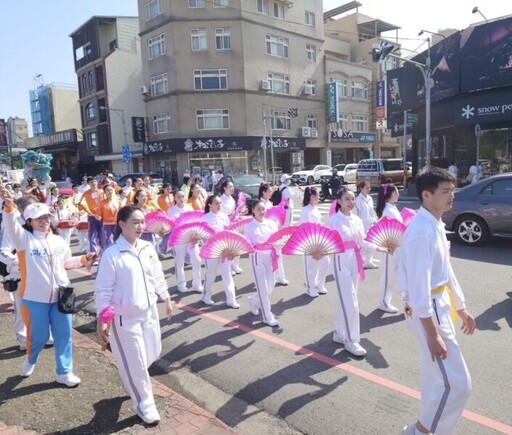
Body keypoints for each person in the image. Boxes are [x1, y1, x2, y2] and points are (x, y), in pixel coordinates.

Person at [399, 167, 474, 435]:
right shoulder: (422, 232)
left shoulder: (434, 223)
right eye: (445, 192)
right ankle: (422, 431)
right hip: (428, 310)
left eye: (452, 190)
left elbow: (446, 271)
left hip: (438, 305)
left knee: (436, 378)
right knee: (458, 384)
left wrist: (461, 306)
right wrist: (432, 334)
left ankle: (420, 431)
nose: (451, 196)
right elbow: (419, 291)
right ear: (426, 195)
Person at [0, 192, 93, 387]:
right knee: (39, 337)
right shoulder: (23, 239)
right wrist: (9, 208)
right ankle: (30, 359)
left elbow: (67, 262)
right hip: (34, 298)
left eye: (47, 217)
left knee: (63, 334)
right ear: (29, 221)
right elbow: (11, 226)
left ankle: (64, 372)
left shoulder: (58, 240)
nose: (44, 220)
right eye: (39, 218)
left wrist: (85, 259)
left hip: (61, 296)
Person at [95, 205, 173, 425]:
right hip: (124, 319)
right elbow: (103, 291)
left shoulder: (148, 247)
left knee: (151, 352)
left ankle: (131, 375)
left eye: (142, 221)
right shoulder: (112, 254)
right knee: (137, 364)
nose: (141, 226)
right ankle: (144, 404)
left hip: (149, 313)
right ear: (121, 224)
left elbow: (157, 275)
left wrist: (165, 297)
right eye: (135, 222)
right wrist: (104, 319)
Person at [327, 186, 388, 357]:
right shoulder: (333, 221)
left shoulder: (357, 220)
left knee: (345, 299)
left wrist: (380, 248)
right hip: (340, 260)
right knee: (351, 301)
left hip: (355, 259)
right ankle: (352, 340)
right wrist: (319, 253)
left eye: (353, 199)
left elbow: (362, 241)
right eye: (347, 199)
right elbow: (326, 243)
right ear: (339, 201)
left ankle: (339, 333)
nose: (351, 202)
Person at [0, 195, 38, 351]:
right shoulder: (12, 225)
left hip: (38, 274)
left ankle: (43, 334)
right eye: (31, 208)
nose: (36, 211)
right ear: (21, 209)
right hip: (18, 274)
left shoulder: (40, 224)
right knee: (21, 307)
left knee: (42, 306)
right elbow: (3, 252)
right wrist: (19, 263)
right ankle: (23, 338)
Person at [244, 200, 280, 327]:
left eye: (263, 209)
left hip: (270, 257)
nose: (261, 212)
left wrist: (278, 250)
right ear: (253, 210)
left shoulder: (271, 224)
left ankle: (254, 300)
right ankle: (267, 316)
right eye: (258, 209)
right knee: (263, 288)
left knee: (270, 286)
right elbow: (246, 245)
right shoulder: (249, 227)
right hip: (257, 257)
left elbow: (277, 239)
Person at [200, 195, 239, 308]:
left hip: (225, 251)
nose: (219, 205)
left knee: (227, 274)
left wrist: (229, 248)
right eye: (216, 203)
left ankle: (231, 299)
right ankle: (206, 295)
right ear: (210, 205)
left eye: (220, 203)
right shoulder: (205, 218)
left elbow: (228, 233)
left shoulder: (224, 217)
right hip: (211, 251)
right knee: (211, 274)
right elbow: (202, 236)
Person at [167, 190, 203, 293]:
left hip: (191, 238)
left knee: (197, 260)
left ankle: (197, 284)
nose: (181, 198)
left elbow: (195, 222)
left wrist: (196, 236)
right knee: (180, 261)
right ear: (174, 198)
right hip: (179, 238)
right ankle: (181, 284)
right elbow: (170, 226)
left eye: (183, 196)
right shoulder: (171, 211)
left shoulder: (189, 208)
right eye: (178, 197)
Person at [375, 183, 402, 314]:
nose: (398, 194)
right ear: (391, 194)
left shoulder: (391, 208)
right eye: (396, 191)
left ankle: (386, 301)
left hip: (395, 248)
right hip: (389, 248)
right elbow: (387, 230)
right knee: (387, 276)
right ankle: (383, 302)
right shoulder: (388, 210)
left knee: (395, 275)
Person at [299, 187, 329, 297]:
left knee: (326, 261)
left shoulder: (315, 209)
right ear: (312, 197)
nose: (319, 197)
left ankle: (319, 284)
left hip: (318, 239)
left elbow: (317, 223)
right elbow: (306, 227)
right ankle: (309, 287)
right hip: (308, 242)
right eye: (318, 195)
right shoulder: (305, 210)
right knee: (309, 266)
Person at [258, 183, 288, 285]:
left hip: (274, 230)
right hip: (265, 233)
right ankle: (272, 277)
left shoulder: (269, 203)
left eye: (271, 191)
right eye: (269, 191)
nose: (271, 193)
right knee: (269, 257)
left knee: (278, 254)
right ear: (263, 193)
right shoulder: (259, 204)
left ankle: (281, 276)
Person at [219, 179, 243, 274]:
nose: (232, 188)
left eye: (232, 187)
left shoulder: (232, 199)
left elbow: (234, 212)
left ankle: (235, 265)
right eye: (230, 187)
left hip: (234, 225)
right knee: (229, 248)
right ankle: (228, 267)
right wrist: (230, 216)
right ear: (224, 188)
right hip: (226, 226)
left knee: (237, 246)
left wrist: (239, 213)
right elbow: (220, 215)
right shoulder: (221, 200)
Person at [354, 180, 378, 269]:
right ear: (361, 188)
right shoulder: (358, 200)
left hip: (370, 225)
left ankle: (368, 262)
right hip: (362, 226)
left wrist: (375, 220)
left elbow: (372, 212)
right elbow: (356, 213)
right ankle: (359, 262)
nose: (369, 189)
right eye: (366, 187)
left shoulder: (369, 198)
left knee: (371, 244)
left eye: (369, 187)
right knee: (362, 245)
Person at [79, 177, 104, 254]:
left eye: (95, 181)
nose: (93, 183)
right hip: (92, 217)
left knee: (102, 235)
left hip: (101, 217)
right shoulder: (86, 194)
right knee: (92, 235)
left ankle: (103, 252)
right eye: (91, 182)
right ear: (89, 184)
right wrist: (83, 212)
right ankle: (94, 254)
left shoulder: (102, 192)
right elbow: (82, 206)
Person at [99, 184, 120, 249]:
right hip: (107, 225)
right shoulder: (102, 203)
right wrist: (98, 216)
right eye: (107, 190)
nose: (110, 191)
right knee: (109, 241)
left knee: (118, 241)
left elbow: (121, 212)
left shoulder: (117, 202)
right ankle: (109, 255)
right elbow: (99, 213)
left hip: (117, 224)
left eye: (111, 190)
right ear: (105, 192)